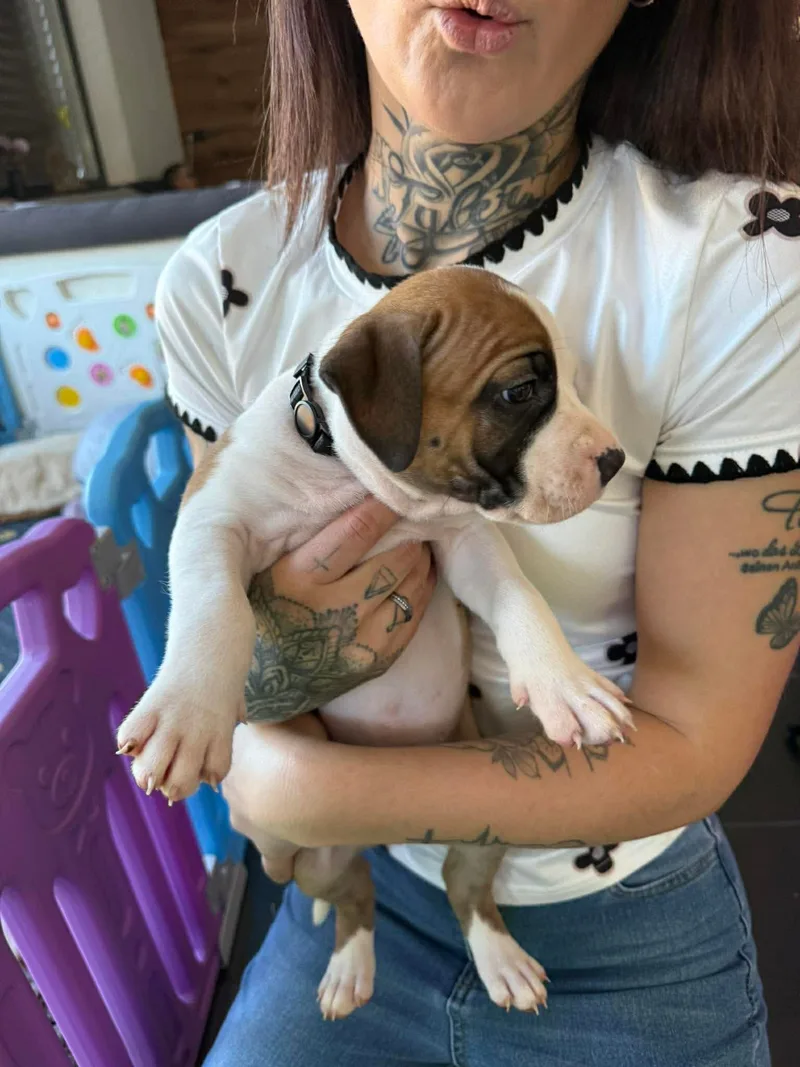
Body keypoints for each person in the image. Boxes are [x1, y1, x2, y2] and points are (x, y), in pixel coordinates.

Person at [158, 2, 800, 1063]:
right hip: (358, 894)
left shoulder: (753, 260)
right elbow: (220, 589)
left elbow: (695, 743)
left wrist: (292, 786)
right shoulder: (219, 280)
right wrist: (254, 696)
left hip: (620, 916)